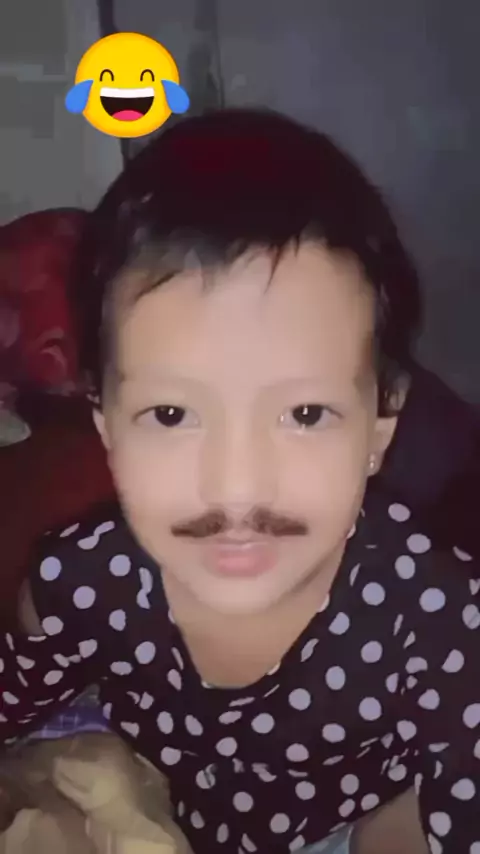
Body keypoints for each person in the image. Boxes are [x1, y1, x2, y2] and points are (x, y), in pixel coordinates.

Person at [0, 108, 479, 854]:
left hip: (344, 829)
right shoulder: (78, 582)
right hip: (163, 806)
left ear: (379, 427)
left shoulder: (441, 617)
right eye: (171, 414)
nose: (236, 484)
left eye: (305, 414)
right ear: (106, 425)